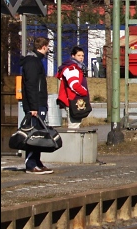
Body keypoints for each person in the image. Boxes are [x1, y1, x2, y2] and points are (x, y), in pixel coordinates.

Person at [21, 36, 53, 175]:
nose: (48, 49)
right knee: (33, 135)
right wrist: (34, 107)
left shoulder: (36, 61)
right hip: (36, 105)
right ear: (44, 46)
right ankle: (30, 164)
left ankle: (37, 162)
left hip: (39, 103)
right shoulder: (33, 62)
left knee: (38, 134)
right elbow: (31, 86)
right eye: (48, 46)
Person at [57, 46, 90, 129]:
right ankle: (72, 142)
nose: (81, 58)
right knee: (74, 128)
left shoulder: (77, 67)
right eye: (79, 55)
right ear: (73, 56)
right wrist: (84, 92)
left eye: (82, 56)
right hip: (73, 101)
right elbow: (74, 85)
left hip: (74, 100)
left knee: (75, 126)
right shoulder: (72, 68)